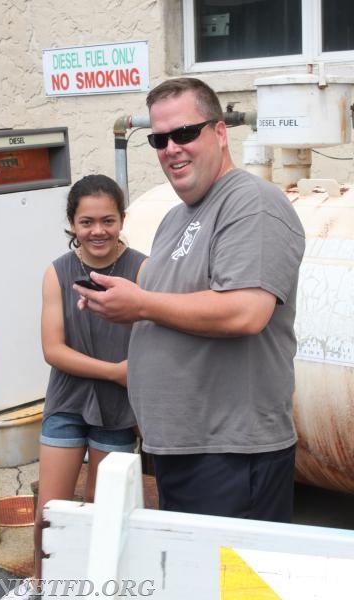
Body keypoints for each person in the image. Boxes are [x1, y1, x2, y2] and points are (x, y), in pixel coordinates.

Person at [74, 77, 306, 523]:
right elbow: (175, 311)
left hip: (232, 456)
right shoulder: (174, 218)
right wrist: (126, 311)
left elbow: (245, 311)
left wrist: (141, 305)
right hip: (182, 450)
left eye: (184, 133)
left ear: (220, 133)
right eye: (159, 139)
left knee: (233, 591)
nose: (171, 149)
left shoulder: (252, 203)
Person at [1, 174, 146, 600]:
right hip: (67, 402)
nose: (97, 231)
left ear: (122, 220)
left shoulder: (142, 268)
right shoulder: (57, 273)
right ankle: (41, 585)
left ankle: (90, 587)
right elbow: (53, 350)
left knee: (102, 515)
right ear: (71, 223)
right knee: (52, 510)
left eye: (107, 220)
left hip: (118, 409)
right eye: (86, 222)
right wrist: (116, 371)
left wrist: (128, 377)